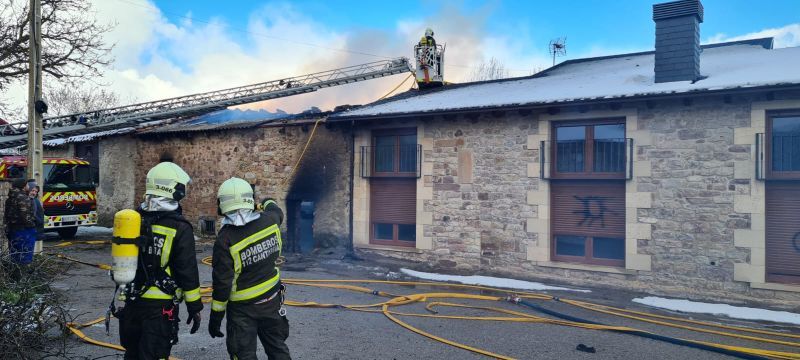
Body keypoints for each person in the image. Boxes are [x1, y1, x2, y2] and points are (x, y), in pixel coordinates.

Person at [117, 162, 203, 360]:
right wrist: (194, 307)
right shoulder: (179, 227)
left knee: (132, 354)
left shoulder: (132, 220)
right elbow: (187, 271)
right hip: (159, 308)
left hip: (131, 303)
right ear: (173, 188)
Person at [209, 177, 290, 360]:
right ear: (250, 200)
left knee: (243, 354)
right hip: (272, 301)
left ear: (222, 205)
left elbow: (222, 284)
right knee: (278, 350)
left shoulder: (225, 239)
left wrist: (216, 317)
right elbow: (276, 210)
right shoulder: (270, 219)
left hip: (242, 311)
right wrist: (266, 201)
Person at [4, 179, 36, 264]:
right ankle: (22, 274)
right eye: (27, 185)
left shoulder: (10, 198)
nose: (28, 186)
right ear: (23, 186)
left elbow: (6, 215)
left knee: (14, 253)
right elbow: (25, 215)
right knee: (25, 254)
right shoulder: (23, 197)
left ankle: (15, 274)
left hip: (12, 229)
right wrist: (32, 225)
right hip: (23, 230)